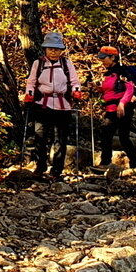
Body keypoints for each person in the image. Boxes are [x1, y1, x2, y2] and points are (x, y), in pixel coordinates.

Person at [24, 31, 83, 179]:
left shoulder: (66, 63)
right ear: (45, 49)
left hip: (63, 105)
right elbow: (31, 81)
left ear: (61, 50)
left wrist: (76, 91)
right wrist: (29, 94)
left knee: (60, 139)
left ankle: (56, 170)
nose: (54, 52)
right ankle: (40, 166)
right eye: (51, 48)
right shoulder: (38, 64)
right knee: (40, 137)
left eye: (57, 49)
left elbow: (74, 81)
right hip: (42, 104)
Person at [97, 44, 136, 167]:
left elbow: (130, 88)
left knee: (109, 134)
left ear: (112, 58)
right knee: (121, 137)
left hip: (122, 108)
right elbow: (109, 90)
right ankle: (135, 162)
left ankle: (105, 162)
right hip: (111, 107)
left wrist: (122, 103)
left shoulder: (122, 71)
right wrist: (97, 88)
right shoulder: (108, 73)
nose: (101, 61)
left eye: (104, 58)